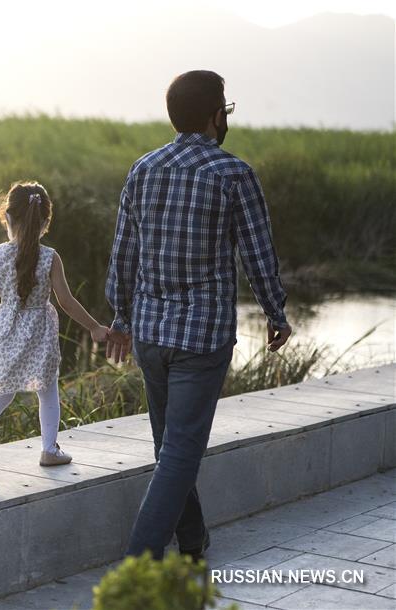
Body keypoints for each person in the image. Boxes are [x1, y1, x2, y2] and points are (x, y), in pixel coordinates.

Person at [105, 70, 292, 560]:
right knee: (181, 451)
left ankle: (192, 540)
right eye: (225, 110)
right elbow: (258, 254)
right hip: (202, 337)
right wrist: (276, 312)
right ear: (214, 115)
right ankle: (139, 561)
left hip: (149, 331)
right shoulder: (233, 174)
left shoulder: (143, 169)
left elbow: (123, 254)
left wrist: (122, 318)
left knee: (169, 445)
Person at [0, 181, 110, 470]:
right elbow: (65, 301)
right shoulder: (50, 257)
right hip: (38, 328)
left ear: (8, 218)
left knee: (2, 391)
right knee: (48, 389)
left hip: (5, 326)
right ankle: (49, 449)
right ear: (45, 222)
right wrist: (93, 327)